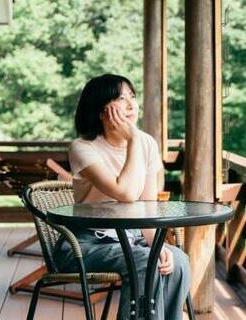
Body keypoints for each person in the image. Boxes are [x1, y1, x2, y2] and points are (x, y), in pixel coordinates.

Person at [52, 73, 190, 320]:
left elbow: (147, 207)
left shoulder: (147, 143)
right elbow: (125, 193)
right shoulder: (84, 147)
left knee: (178, 260)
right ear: (100, 110)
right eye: (120, 98)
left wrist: (156, 246)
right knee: (145, 262)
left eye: (132, 97)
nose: (130, 104)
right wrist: (134, 138)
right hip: (84, 244)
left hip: (132, 239)